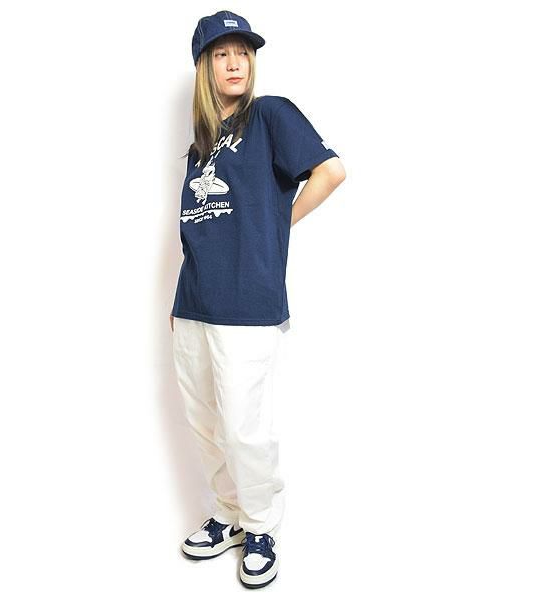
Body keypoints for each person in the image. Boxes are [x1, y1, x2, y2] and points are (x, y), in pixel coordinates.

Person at [170, 10, 346, 589]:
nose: (235, 62)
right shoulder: (202, 144)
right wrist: (179, 303)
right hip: (193, 302)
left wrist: (278, 223)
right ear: (204, 66)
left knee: (245, 427)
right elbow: (200, 227)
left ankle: (261, 525)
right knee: (204, 421)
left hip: (248, 303)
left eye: (242, 52)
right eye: (222, 53)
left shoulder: (270, 115)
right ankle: (229, 515)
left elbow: (330, 171)